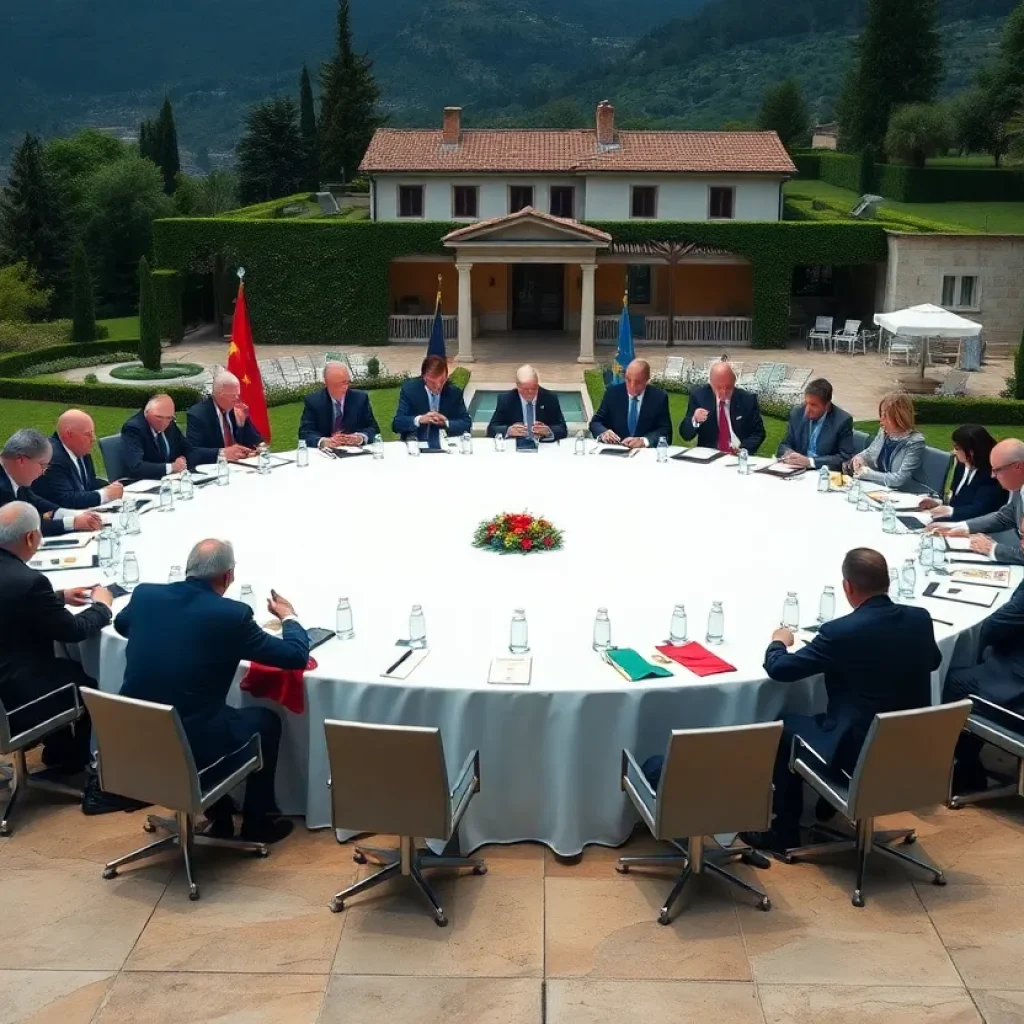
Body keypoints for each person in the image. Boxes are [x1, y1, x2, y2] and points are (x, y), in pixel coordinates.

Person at [740, 548, 940, 854]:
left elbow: (780, 670)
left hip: (859, 750)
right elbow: (933, 660)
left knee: (785, 728)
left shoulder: (840, 633)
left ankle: (784, 831)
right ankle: (825, 802)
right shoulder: (919, 619)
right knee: (840, 716)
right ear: (887, 581)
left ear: (848, 587)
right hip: (912, 748)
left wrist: (778, 642)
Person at [114, 539, 309, 843]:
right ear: (228, 576)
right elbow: (295, 656)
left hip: (134, 740)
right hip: (193, 744)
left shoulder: (146, 595)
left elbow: (123, 625)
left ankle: (220, 812)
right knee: (265, 721)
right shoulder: (232, 616)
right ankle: (258, 822)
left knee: (202, 712)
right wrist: (289, 616)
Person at [0, 501, 112, 774]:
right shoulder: (29, 582)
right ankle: (76, 758)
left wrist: (58, 597)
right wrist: (102, 607)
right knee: (92, 679)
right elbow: (72, 631)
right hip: (17, 697)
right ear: (31, 537)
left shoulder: (20, 583)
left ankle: (58, 748)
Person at [943, 559, 1024, 791]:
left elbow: (993, 627)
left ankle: (965, 772)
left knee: (953, 681)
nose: (1021, 542)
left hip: (1017, 690)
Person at [928, 438, 1024, 565]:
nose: (992, 476)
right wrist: (958, 527)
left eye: (997, 470)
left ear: (1018, 467)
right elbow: (1005, 516)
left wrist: (992, 549)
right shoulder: (1019, 486)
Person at [0, 429, 102, 537]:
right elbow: (21, 528)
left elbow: (34, 500)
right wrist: (72, 523)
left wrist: (72, 514)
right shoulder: (2, 487)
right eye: (43, 466)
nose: (43, 472)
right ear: (21, 461)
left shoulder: (15, 475)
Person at [34, 409, 124, 509]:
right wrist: (105, 495)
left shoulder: (81, 450)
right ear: (69, 434)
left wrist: (113, 487)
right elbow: (67, 500)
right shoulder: (51, 458)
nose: (93, 438)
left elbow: (90, 483)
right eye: (88, 434)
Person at [919, 425, 1007, 524]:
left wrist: (950, 511)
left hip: (976, 525)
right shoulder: (962, 464)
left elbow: (981, 510)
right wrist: (938, 504)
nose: (953, 452)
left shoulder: (991, 475)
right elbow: (957, 498)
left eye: (957, 448)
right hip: (956, 519)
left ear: (971, 452)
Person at [120, 394, 219, 480]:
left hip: (172, 480)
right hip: (144, 483)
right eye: (158, 417)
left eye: (169, 418)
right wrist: (171, 467)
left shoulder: (170, 424)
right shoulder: (133, 429)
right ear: (146, 412)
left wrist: (183, 459)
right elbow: (136, 467)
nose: (164, 422)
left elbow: (190, 450)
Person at [679, 359, 766, 454]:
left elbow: (758, 433)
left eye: (728, 387)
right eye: (719, 387)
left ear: (734, 381)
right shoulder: (699, 397)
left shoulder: (747, 400)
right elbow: (685, 435)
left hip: (738, 456)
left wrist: (744, 450)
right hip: (709, 457)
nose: (723, 393)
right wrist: (694, 420)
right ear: (711, 383)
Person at [851, 391, 928, 492]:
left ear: (898, 417)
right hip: (879, 490)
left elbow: (899, 480)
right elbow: (870, 452)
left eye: (885, 416)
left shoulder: (915, 443)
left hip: (903, 495)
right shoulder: (884, 432)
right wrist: (860, 457)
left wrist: (868, 474)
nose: (881, 420)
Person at [392, 355, 471, 449]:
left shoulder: (454, 393)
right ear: (424, 377)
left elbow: (466, 423)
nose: (438, 386)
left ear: (446, 376)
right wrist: (420, 419)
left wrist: (446, 422)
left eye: (442, 381)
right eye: (433, 383)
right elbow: (397, 424)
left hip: (446, 446)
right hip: (417, 446)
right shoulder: (410, 390)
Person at [589, 358, 671, 448]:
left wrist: (644, 441)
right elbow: (596, 422)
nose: (632, 386)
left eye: (637, 382)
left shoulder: (658, 398)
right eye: (628, 380)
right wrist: (603, 432)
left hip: (644, 455)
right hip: (616, 452)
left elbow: (666, 431)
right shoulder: (613, 393)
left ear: (647, 380)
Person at [776, 378, 855, 470]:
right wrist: (788, 453)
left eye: (813, 405)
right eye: (806, 403)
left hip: (823, 473)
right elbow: (784, 445)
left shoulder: (842, 420)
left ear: (827, 406)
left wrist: (810, 462)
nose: (807, 410)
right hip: (796, 470)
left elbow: (845, 457)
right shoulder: (797, 413)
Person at [298, 362, 380, 449]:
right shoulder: (314, 401)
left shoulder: (360, 398)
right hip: (325, 455)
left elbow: (373, 428)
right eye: (338, 385)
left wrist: (360, 438)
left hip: (354, 452)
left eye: (346, 382)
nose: (344, 387)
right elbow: (305, 433)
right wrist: (323, 442)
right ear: (327, 383)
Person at [186, 370, 262, 457]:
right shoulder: (198, 414)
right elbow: (193, 451)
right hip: (215, 466)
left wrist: (244, 422)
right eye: (233, 395)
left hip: (240, 464)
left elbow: (255, 442)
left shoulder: (237, 409)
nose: (237, 399)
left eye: (238, 395)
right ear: (219, 394)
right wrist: (222, 453)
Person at [487, 365, 567, 444]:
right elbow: (491, 429)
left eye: (534, 388)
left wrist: (548, 431)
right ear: (518, 386)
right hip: (516, 447)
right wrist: (509, 430)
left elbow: (563, 429)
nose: (530, 392)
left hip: (542, 446)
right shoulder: (506, 400)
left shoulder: (549, 398)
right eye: (525, 389)